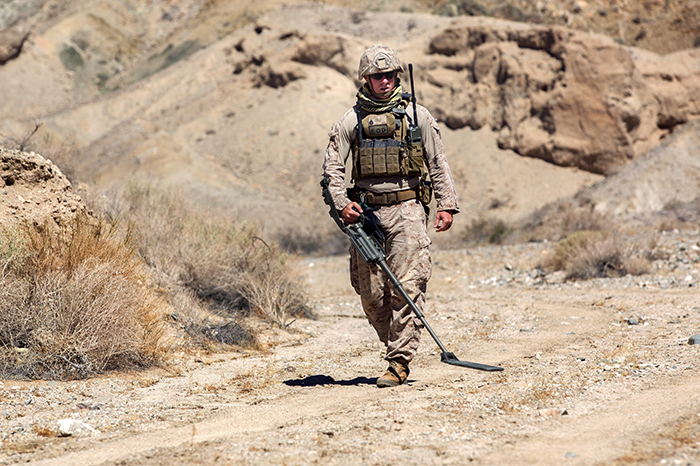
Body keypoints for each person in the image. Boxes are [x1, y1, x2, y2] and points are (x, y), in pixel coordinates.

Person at [322, 45, 460, 388]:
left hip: (408, 211)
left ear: (397, 75)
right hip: (366, 215)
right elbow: (332, 169)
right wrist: (341, 203)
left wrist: (446, 204)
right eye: (376, 76)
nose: (383, 81)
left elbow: (437, 162)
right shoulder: (350, 121)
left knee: (408, 287)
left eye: (388, 75)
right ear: (365, 79)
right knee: (371, 296)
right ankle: (396, 341)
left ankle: (398, 361)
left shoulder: (418, 116)